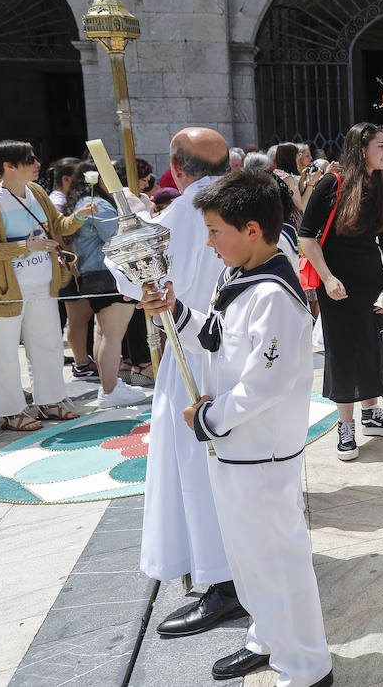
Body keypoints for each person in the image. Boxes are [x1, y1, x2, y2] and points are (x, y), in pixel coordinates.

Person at [142, 169, 333, 687]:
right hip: (235, 450)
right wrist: (176, 310)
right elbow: (219, 335)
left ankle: (307, 667)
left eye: (213, 231)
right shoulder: (239, 276)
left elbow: (265, 385)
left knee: (277, 561)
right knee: (247, 559)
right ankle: (267, 638)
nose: (207, 243)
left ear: (252, 229)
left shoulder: (274, 294)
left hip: (260, 453)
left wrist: (209, 417)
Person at [106, 127, 241, 637]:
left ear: (176, 170)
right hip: (242, 352)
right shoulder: (244, 207)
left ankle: (222, 582)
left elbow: (130, 284)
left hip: (194, 353)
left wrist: (129, 231)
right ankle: (227, 565)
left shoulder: (168, 221)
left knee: (200, 470)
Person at [0, 141, 95, 431]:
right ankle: (10, 411)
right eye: (30, 159)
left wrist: (79, 217)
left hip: (41, 284)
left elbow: (58, 226)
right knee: (2, 353)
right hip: (3, 291)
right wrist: (25, 246)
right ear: (9, 166)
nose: (37, 163)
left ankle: (50, 401)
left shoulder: (37, 192)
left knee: (48, 345)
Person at [298, 122, 383, 461]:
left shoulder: (382, 185)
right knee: (342, 350)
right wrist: (326, 278)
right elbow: (306, 236)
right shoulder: (332, 182)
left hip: (371, 280)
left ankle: (370, 412)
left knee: (372, 344)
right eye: (380, 145)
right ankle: (346, 424)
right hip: (337, 283)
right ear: (363, 148)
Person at [62, 161, 148, 408]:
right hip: (107, 274)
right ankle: (110, 389)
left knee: (104, 333)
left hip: (94, 275)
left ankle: (109, 386)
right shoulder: (97, 204)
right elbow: (117, 237)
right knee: (112, 334)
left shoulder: (87, 202)